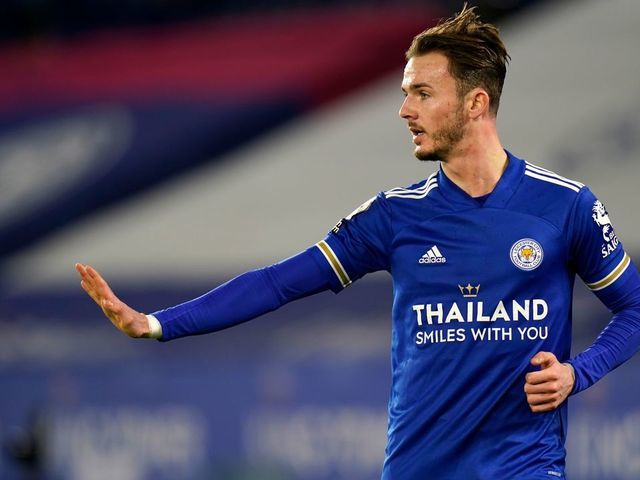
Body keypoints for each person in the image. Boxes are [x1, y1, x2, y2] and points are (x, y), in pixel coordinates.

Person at [75, 4, 640, 479]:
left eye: (422, 92)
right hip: (420, 467)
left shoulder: (564, 205)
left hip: (525, 465)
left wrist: (578, 371)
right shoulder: (394, 216)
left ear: (476, 104)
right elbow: (278, 282)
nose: (405, 109)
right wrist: (156, 323)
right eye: (404, 92)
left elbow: (634, 308)